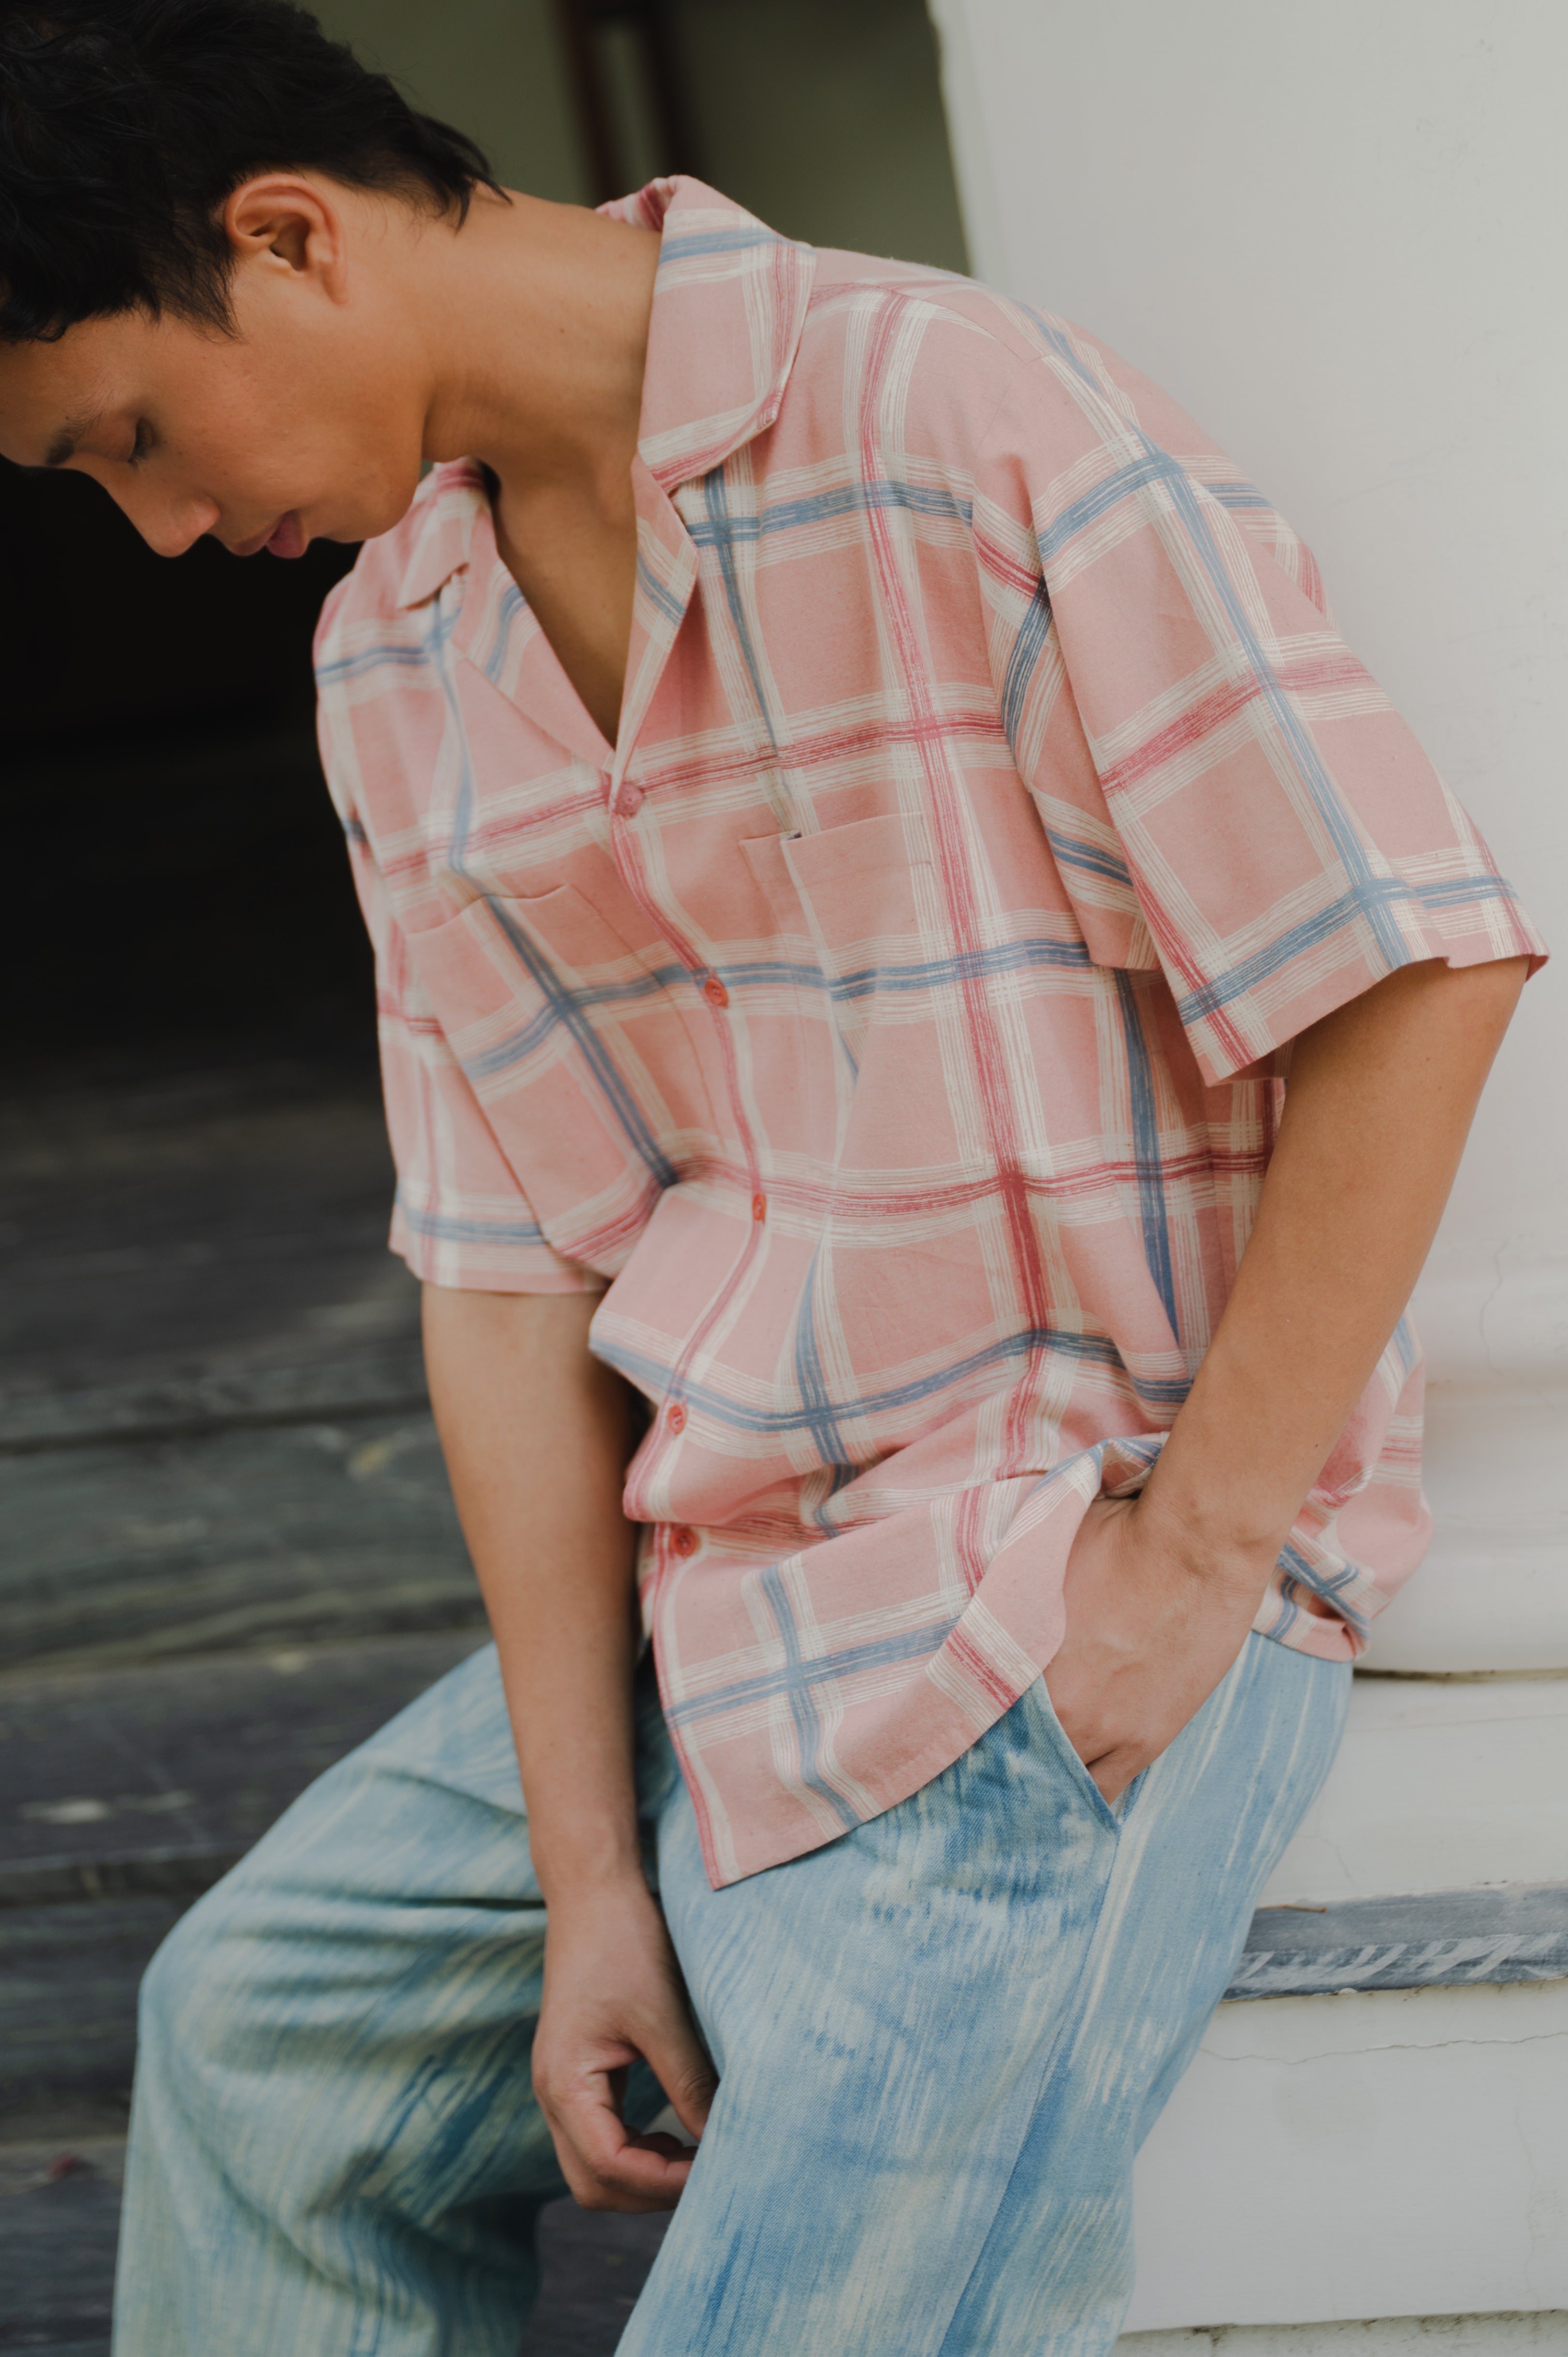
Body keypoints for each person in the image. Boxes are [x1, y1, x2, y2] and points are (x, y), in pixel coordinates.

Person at [0, 3, 1545, 2350]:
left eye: (130, 435)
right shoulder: (393, 654)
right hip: (721, 1602)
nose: (163, 525)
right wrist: (584, 1883)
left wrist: (1195, 1562)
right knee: (256, 2044)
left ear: (288, 237)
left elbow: (1409, 967)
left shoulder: (954, 415)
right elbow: (504, 1275)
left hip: (1061, 1572)